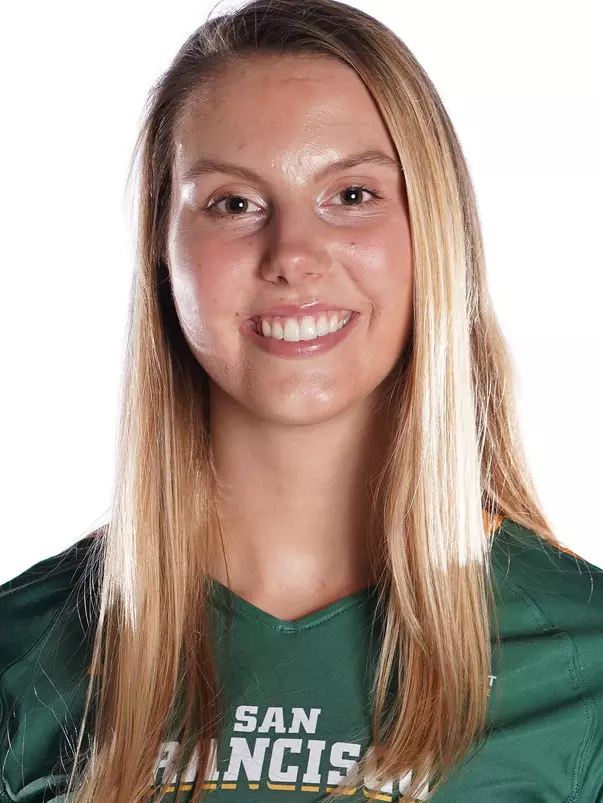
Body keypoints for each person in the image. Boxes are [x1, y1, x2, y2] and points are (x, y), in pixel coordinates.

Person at [1, 0, 602, 801]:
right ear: (160, 251)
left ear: (435, 231)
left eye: (351, 195)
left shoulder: (583, 666)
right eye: (233, 203)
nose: (292, 256)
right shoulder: (23, 652)